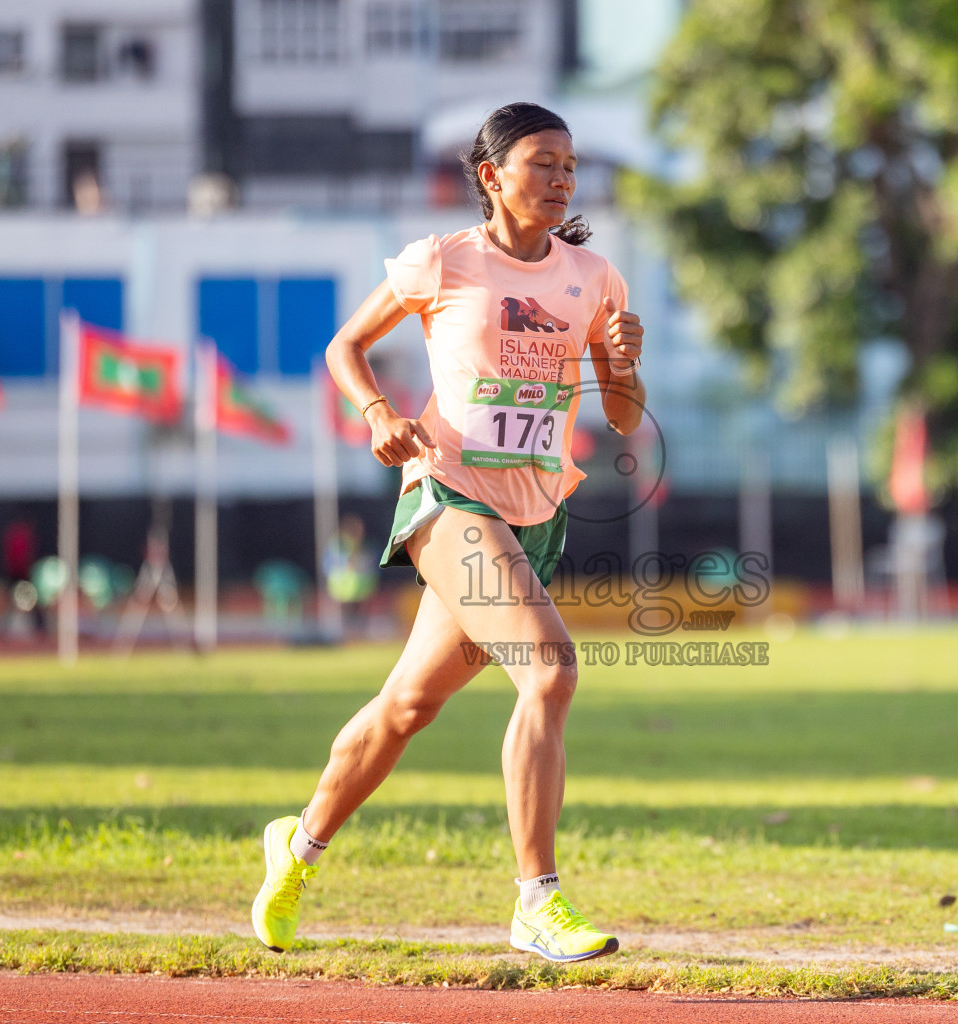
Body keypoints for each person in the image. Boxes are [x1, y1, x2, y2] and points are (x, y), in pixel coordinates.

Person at [251, 103, 646, 963]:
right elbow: (345, 346)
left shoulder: (594, 276)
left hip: (537, 512)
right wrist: (379, 414)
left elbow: (619, 416)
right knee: (551, 671)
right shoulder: (442, 260)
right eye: (542, 162)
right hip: (449, 498)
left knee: (406, 707)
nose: (561, 179)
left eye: (570, 166)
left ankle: (300, 844)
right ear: (491, 174)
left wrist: (622, 360)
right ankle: (536, 901)